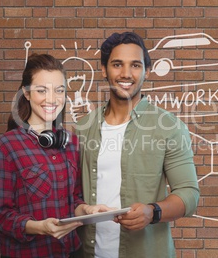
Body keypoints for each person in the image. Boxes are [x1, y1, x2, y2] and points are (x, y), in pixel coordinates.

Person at [77, 32, 200, 258]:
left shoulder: (169, 127)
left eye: (135, 65)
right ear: (104, 69)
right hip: (88, 252)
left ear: (147, 71)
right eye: (117, 64)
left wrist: (152, 212)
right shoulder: (82, 129)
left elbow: (189, 194)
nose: (126, 74)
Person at [0, 53, 110, 258]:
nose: (52, 99)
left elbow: (73, 200)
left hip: (69, 252)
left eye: (59, 90)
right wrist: (40, 227)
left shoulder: (71, 143)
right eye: (42, 90)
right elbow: (3, 217)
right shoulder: (6, 146)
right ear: (26, 93)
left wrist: (88, 211)